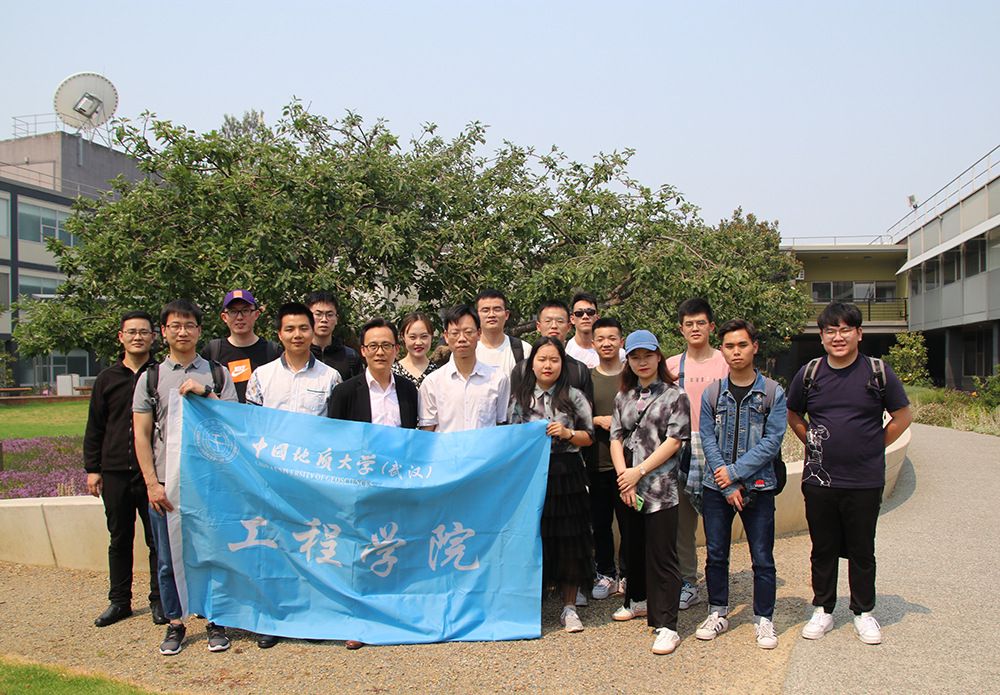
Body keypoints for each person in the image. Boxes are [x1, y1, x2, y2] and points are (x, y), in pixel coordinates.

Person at [787, 301, 911, 646]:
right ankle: (823, 609)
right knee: (822, 547)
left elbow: (902, 416)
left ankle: (863, 612)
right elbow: (793, 414)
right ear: (822, 336)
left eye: (845, 330)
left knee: (861, 549)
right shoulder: (810, 373)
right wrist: (813, 442)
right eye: (830, 331)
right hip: (820, 479)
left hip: (864, 480)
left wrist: (873, 445)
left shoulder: (877, 371)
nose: (837, 337)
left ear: (858, 334)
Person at [133, 299, 238, 656]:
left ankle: (214, 620)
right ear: (163, 331)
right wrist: (151, 483)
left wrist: (206, 392)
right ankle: (175, 623)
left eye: (189, 325)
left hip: (209, 482)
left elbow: (234, 424)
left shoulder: (217, 374)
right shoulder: (150, 378)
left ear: (199, 330)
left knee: (212, 553)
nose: (183, 332)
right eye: (175, 326)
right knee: (167, 557)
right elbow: (141, 434)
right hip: (167, 483)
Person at [244, 302, 343, 649]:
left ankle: (312, 617)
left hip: (314, 480)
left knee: (312, 547)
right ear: (279, 334)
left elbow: (336, 433)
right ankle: (272, 618)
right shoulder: (262, 376)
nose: (297, 335)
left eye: (303, 328)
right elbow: (250, 428)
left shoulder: (330, 377)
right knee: (273, 547)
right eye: (290, 329)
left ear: (313, 331)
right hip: (273, 480)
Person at [696, 319, 786, 650]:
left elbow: (772, 441)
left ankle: (764, 618)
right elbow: (707, 437)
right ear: (721, 350)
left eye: (743, 345)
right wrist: (726, 482)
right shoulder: (712, 392)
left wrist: (734, 473)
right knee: (716, 554)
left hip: (759, 487)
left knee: (762, 557)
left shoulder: (773, 392)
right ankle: (717, 611)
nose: (736, 351)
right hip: (717, 488)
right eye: (730, 346)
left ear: (754, 347)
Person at [610, 330, 690, 655]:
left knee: (663, 555)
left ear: (659, 356)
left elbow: (674, 441)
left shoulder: (675, 395)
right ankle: (638, 600)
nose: (642, 362)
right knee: (633, 548)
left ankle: (668, 625)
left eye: (647, 355)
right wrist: (624, 478)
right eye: (635, 356)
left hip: (660, 487)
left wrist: (638, 472)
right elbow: (615, 437)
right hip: (629, 487)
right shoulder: (623, 396)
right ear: (628, 360)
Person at [508, 337, 595, 633]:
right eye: (542, 359)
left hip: (567, 474)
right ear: (531, 364)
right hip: (532, 475)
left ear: (563, 364)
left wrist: (567, 433)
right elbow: (512, 439)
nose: (548, 365)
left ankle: (569, 608)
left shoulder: (574, 396)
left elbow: (589, 436)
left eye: (554, 360)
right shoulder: (520, 398)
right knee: (534, 537)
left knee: (570, 540)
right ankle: (533, 604)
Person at [84, 310, 164, 628]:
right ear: (121, 337)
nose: (137, 337)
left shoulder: (159, 375)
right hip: (115, 470)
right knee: (119, 538)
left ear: (153, 337)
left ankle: (160, 600)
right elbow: (95, 425)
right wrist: (93, 469)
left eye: (144, 332)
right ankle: (119, 601)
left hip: (152, 472)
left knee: (156, 541)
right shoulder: (107, 378)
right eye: (131, 332)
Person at [665, 297, 729, 611]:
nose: (695, 328)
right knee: (682, 524)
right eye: (689, 324)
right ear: (681, 329)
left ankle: (719, 585)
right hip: (681, 449)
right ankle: (689, 583)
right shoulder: (671, 366)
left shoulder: (725, 361)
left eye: (701, 323)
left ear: (711, 327)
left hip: (719, 449)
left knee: (719, 523)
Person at [587, 317, 629, 601]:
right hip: (596, 461)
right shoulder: (587, 378)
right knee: (600, 524)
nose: (606, 343)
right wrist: (596, 420)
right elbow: (575, 416)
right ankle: (605, 573)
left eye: (612, 338)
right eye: (600, 339)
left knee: (628, 523)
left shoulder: (632, 374)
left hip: (629, 465)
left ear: (621, 341)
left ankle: (627, 573)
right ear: (593, 343)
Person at [419, 305, 509, 433]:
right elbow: (427, 431)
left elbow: (501, 426)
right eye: (455, 333)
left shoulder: (498, 379)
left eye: (468, 332)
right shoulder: (432, 382)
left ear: (479, 334)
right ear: (446, 336)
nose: (461, 339)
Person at [331, 317, 420, 428]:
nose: (380, 352)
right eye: (373, 346)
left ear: (397, 349)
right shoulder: (344, 392)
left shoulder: (408, 389)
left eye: (386, 345)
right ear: (363, 350)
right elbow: (335, 433)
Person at [202, 289, 281, 404]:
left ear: (256, 314)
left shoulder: (273, 351)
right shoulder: (213, 350)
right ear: (224, 317)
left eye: (245, 310)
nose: (239, 317)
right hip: (224, 415)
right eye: (233, 311)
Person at [510, 300, 593, 403]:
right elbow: (514, 408)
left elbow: (586, 409)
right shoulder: (522, 369)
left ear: (569, 327)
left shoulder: (580, 370)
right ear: (538, 326)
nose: (554, 326)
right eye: (548, 321)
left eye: (560, 321)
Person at [304, 290, 362, 381]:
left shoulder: (350, 357)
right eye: (318, 314)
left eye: (329, 315)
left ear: (336, 319)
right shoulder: (299, 355)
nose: (324, 320)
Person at [475, 289, 531, 378]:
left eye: (497, 310)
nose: (491, 315)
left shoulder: (524, 350)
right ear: (477, 315)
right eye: (485, 310)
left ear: (506, 315)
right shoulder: (469, 350)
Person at [564, 291, 625, 368]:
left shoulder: (617, 353)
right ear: (572, 319)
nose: (585, 316)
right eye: (579, 313)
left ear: (597, 317)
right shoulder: (564, 350)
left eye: (590, 312)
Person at [392, 312, 441, 388]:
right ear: (403, 337)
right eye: (412, 337)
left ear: (431, 336)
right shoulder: (392, 372)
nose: (418, 342)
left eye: (424, 336)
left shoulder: (439, 373)